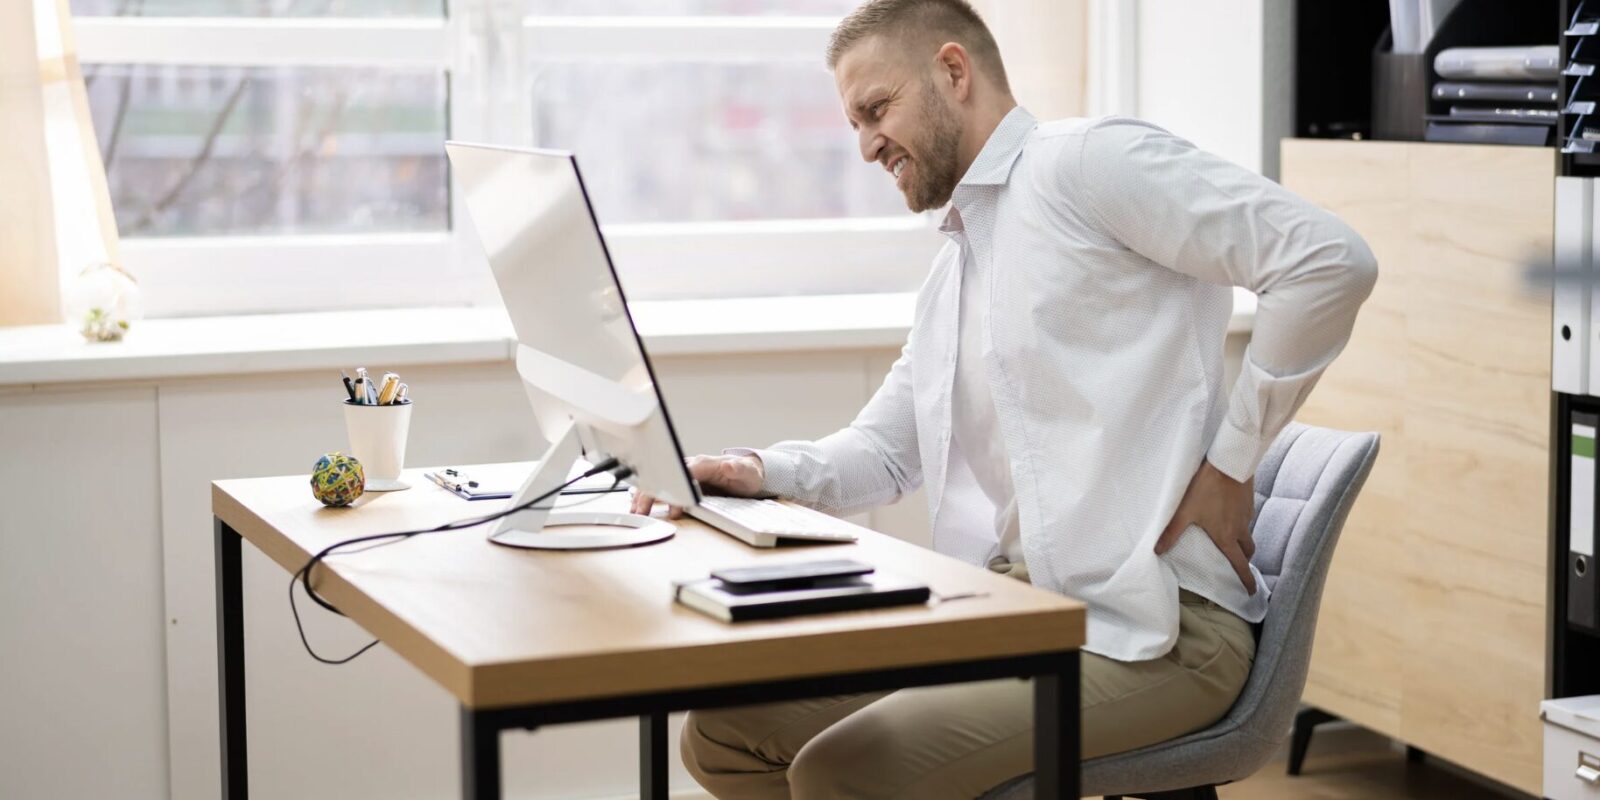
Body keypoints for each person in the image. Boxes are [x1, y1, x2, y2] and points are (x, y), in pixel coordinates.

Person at [631, 1, 1377, 797]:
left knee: (848, 770)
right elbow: (886, 450)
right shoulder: (958, 266)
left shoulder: (1088, 162)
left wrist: (1233, 463)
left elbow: (1329, 260)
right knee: (726, 735)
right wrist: (755, 470)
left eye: (876, 110)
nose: (865, 145)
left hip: (1160, 630)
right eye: (853, 123)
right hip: (1022, 612)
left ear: (953, 72)